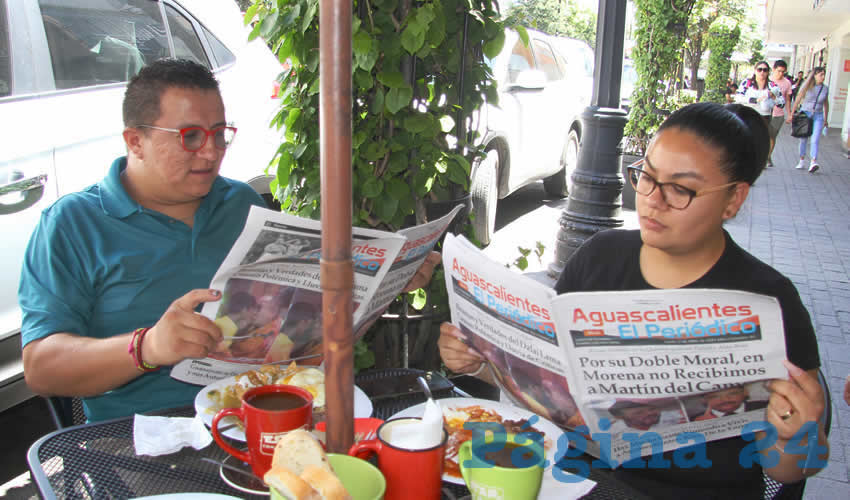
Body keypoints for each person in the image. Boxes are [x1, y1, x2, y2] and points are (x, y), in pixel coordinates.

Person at [439, 102, 827, 498]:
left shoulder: (769, 301)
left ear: (733, 199)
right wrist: (482, 362)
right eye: (647, 176)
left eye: (681, 189)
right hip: (577, 483)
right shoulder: (599, 257)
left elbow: (793, 469)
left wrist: (795, 435)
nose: (652, 199)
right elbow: (553, 382)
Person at [18, 58, 441, 422]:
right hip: (143, 435)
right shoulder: (73, 224)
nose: (211, 152)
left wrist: (385, 281)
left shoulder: (239, 201)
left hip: (270, 408)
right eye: (190, 137)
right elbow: (41, 368)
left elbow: (298, 317)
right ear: (136, 141)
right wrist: (148, 347)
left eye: (220, 133)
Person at [735, 61, 784, 164]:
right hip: (748, 114)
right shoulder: (747, 83)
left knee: (760, 140)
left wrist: (773, 97)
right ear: (755, 70)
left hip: (764, 117)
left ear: (768, 72)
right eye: (759, 69)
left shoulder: (772, 85)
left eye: (765, 70)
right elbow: (738, 97)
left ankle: (757, 160)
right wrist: (754, 100)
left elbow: (781, 103)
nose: (762, 72)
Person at [788, 67, 829, 173]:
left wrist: (826, 118)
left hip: (818, 116)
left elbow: (826, 103)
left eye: (824, 74)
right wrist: (792, 114)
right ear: (814, 76)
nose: (823, 77)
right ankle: (801, 160)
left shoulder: (825, 88)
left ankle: (813, 161)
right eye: (821, 74)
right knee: (803, 139)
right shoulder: (807, 86)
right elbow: (797, 99)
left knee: (815, 139)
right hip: (805, 114)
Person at [766, 60, 791, 168]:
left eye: (783, 72)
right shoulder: (768, 81)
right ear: (773, 69)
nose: (781, 74)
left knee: (772, 137)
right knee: (764, 136)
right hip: (766, 112)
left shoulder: (787, 83)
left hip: (778, 114)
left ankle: (767, 157)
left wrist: (789, 114)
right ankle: (765, 156)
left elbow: (788, 100)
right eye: (779, 71)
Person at [692, 385, 768, 420]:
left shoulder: (766, 407)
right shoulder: (694, 420)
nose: (725, 399)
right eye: (715, 396)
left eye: (732, 393)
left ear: (745, 392)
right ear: (703, 400)